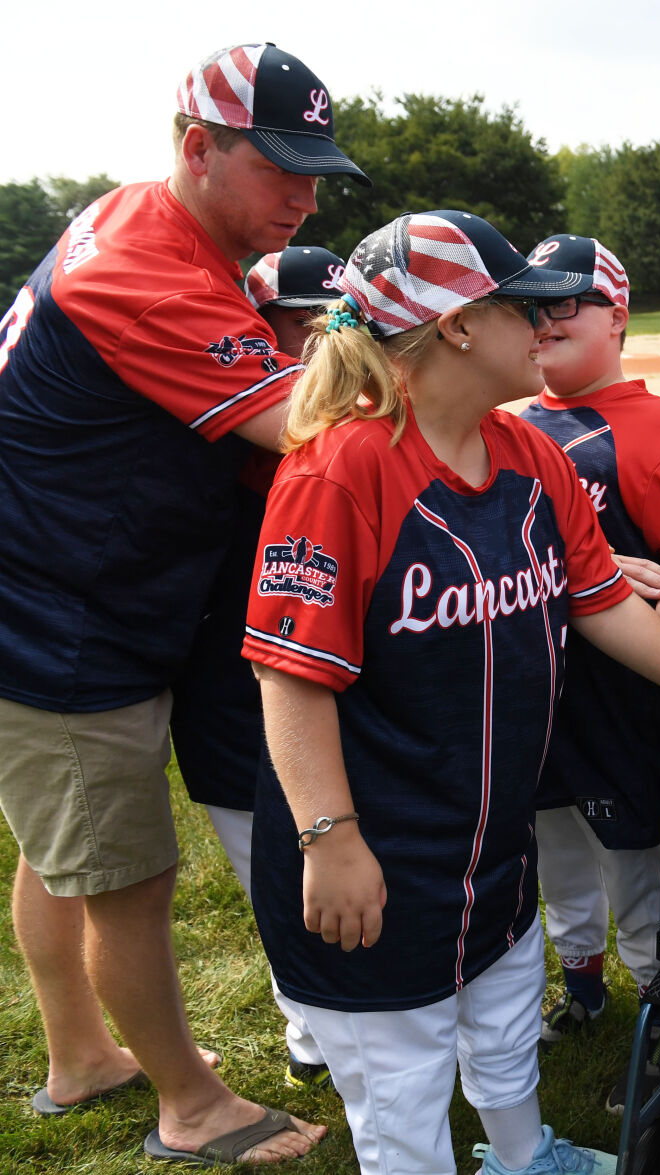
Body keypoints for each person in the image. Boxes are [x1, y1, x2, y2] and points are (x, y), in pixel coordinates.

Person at [242, 209, 660, 1175]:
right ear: (457, 325)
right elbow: (289, 676)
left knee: (502, 1026)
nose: (546, 323)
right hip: (381, 843)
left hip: (491, 832)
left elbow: (600, 604)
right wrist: (329, 840)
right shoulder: (340, 469)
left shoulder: (526, 453)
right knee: (402, 1087)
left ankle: (522, 1156)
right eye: (524, 306)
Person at [0, 42, 365, 1162]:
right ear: (198, 151)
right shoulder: (141, 266)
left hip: (72, 590)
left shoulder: (150, 225)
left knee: (59, 849)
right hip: (55, 618)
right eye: (279, 168)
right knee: (125, 871)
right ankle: (190, 1102)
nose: (303, 199)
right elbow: (307, 429)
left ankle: (79, 1054)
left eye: (317, 173)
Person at [517, 234, 660, 1045]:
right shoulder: (509, 425)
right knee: (554, 848)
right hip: (534, 691)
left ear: (617, 315)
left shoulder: (653, 427)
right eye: (530, 303)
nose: (543, 318)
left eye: (565, 301)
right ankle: (581, 981)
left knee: (628, 853)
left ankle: (658, 999)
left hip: (617, 690)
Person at [169, 245, 349, 1093]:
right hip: (225, 693)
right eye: (293, 324)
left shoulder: (351, 439)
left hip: (328, 694)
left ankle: (355, 1017)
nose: (314, 343)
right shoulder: (214, 436)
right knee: (270, 872)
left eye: (332, 322)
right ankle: (308, 1029)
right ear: (251, 330)